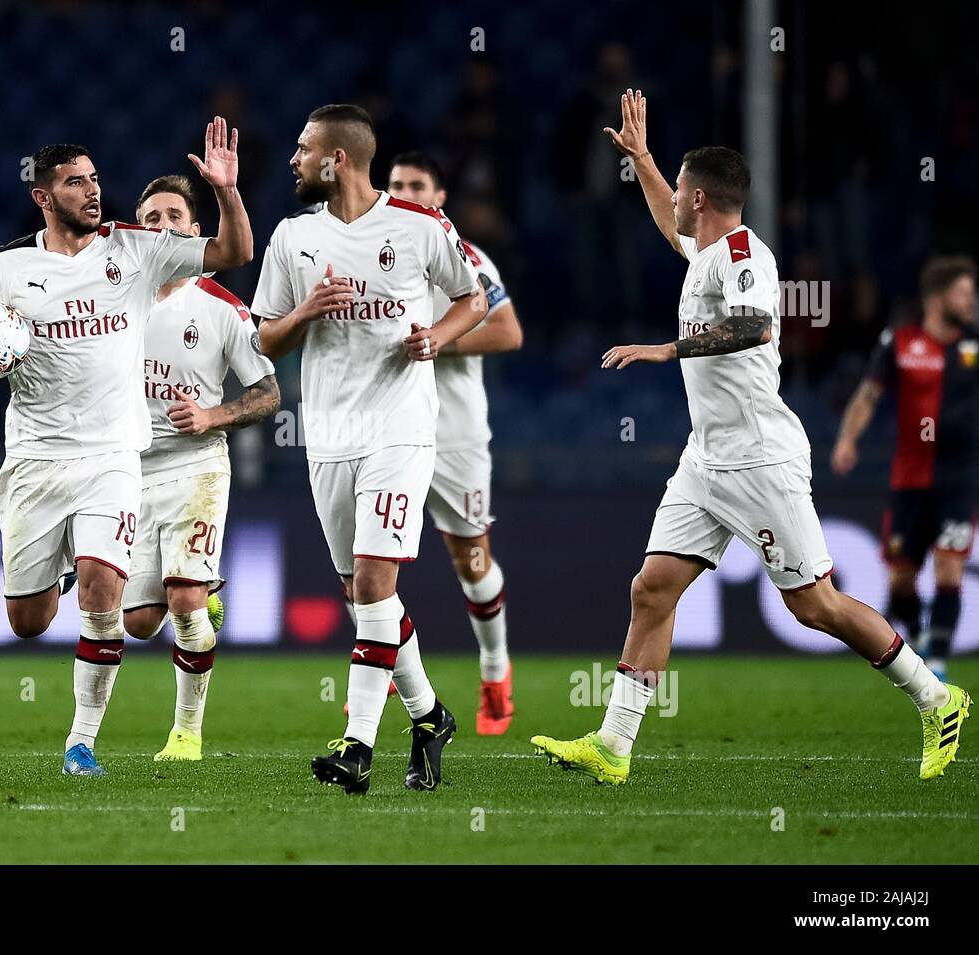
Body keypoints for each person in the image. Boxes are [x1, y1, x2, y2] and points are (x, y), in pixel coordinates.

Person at [530, 90, 969, 785]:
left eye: (677, 184)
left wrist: (666, 349)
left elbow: (755, 326)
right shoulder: (703, 252)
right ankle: (613, 745)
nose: (671, 195)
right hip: (706, 455)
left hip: (760, 455)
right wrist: (643, 158)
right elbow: (664, 225)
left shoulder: (743, 254)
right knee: (652, 587)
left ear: (700, 196)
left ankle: (937, 697)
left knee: (814, 604)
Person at [0, 121, 252, 777]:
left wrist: (227, 192)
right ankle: (52, 571)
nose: (92, 190)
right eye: (76, 182)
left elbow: (233, 252)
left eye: (96, 179)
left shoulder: (134, 250)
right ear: (43, 196)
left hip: (112, 456)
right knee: (27, 618)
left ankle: (81, 744)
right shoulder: (7, 268)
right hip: (34, 459)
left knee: (102, 592)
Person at [253, 104, 484, 794]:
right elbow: (265, 339)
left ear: (338, 160)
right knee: (361, 594)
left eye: (303, 148)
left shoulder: (418, 227)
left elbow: (472, 298)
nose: (293, 159)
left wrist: (438, 338)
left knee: (376, 582)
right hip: (328, 434)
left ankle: (357, 744)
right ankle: (430, 715)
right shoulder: (292, 237)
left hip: (400, 428)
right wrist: (305, 312)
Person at [120, 174, 280, 762]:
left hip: (196, 467)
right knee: (137, 622)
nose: (163, 227)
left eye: (174, 218)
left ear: (195, 231)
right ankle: (201, 589)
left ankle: (187, 733)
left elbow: (267, 394)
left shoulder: (223, 308)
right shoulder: (114, 297)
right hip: (127, 473)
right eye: (151, 217)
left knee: (183, 604)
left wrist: (214, 414)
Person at [387, 150, 523, 734]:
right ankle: (381, 674)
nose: (407, 191)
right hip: (389, 429)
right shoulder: (374, 252)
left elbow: (508, 331)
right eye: (396, 184)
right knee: (376, 561)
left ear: (440, 196)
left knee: (471, 564)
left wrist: (439, 340)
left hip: (456, 435)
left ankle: (495, 671)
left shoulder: (465, 257)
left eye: (418, 184)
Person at [833, 255, 978, 680]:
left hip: (958, 479)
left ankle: (936, 658)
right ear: (938, 296)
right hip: (909, 480)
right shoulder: (899, 341)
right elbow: (867, 395)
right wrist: (847, 439)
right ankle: (918, 637)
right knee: (901, 582)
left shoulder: (973, 346)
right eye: (964, 293)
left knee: (950, 567)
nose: (971, 302)